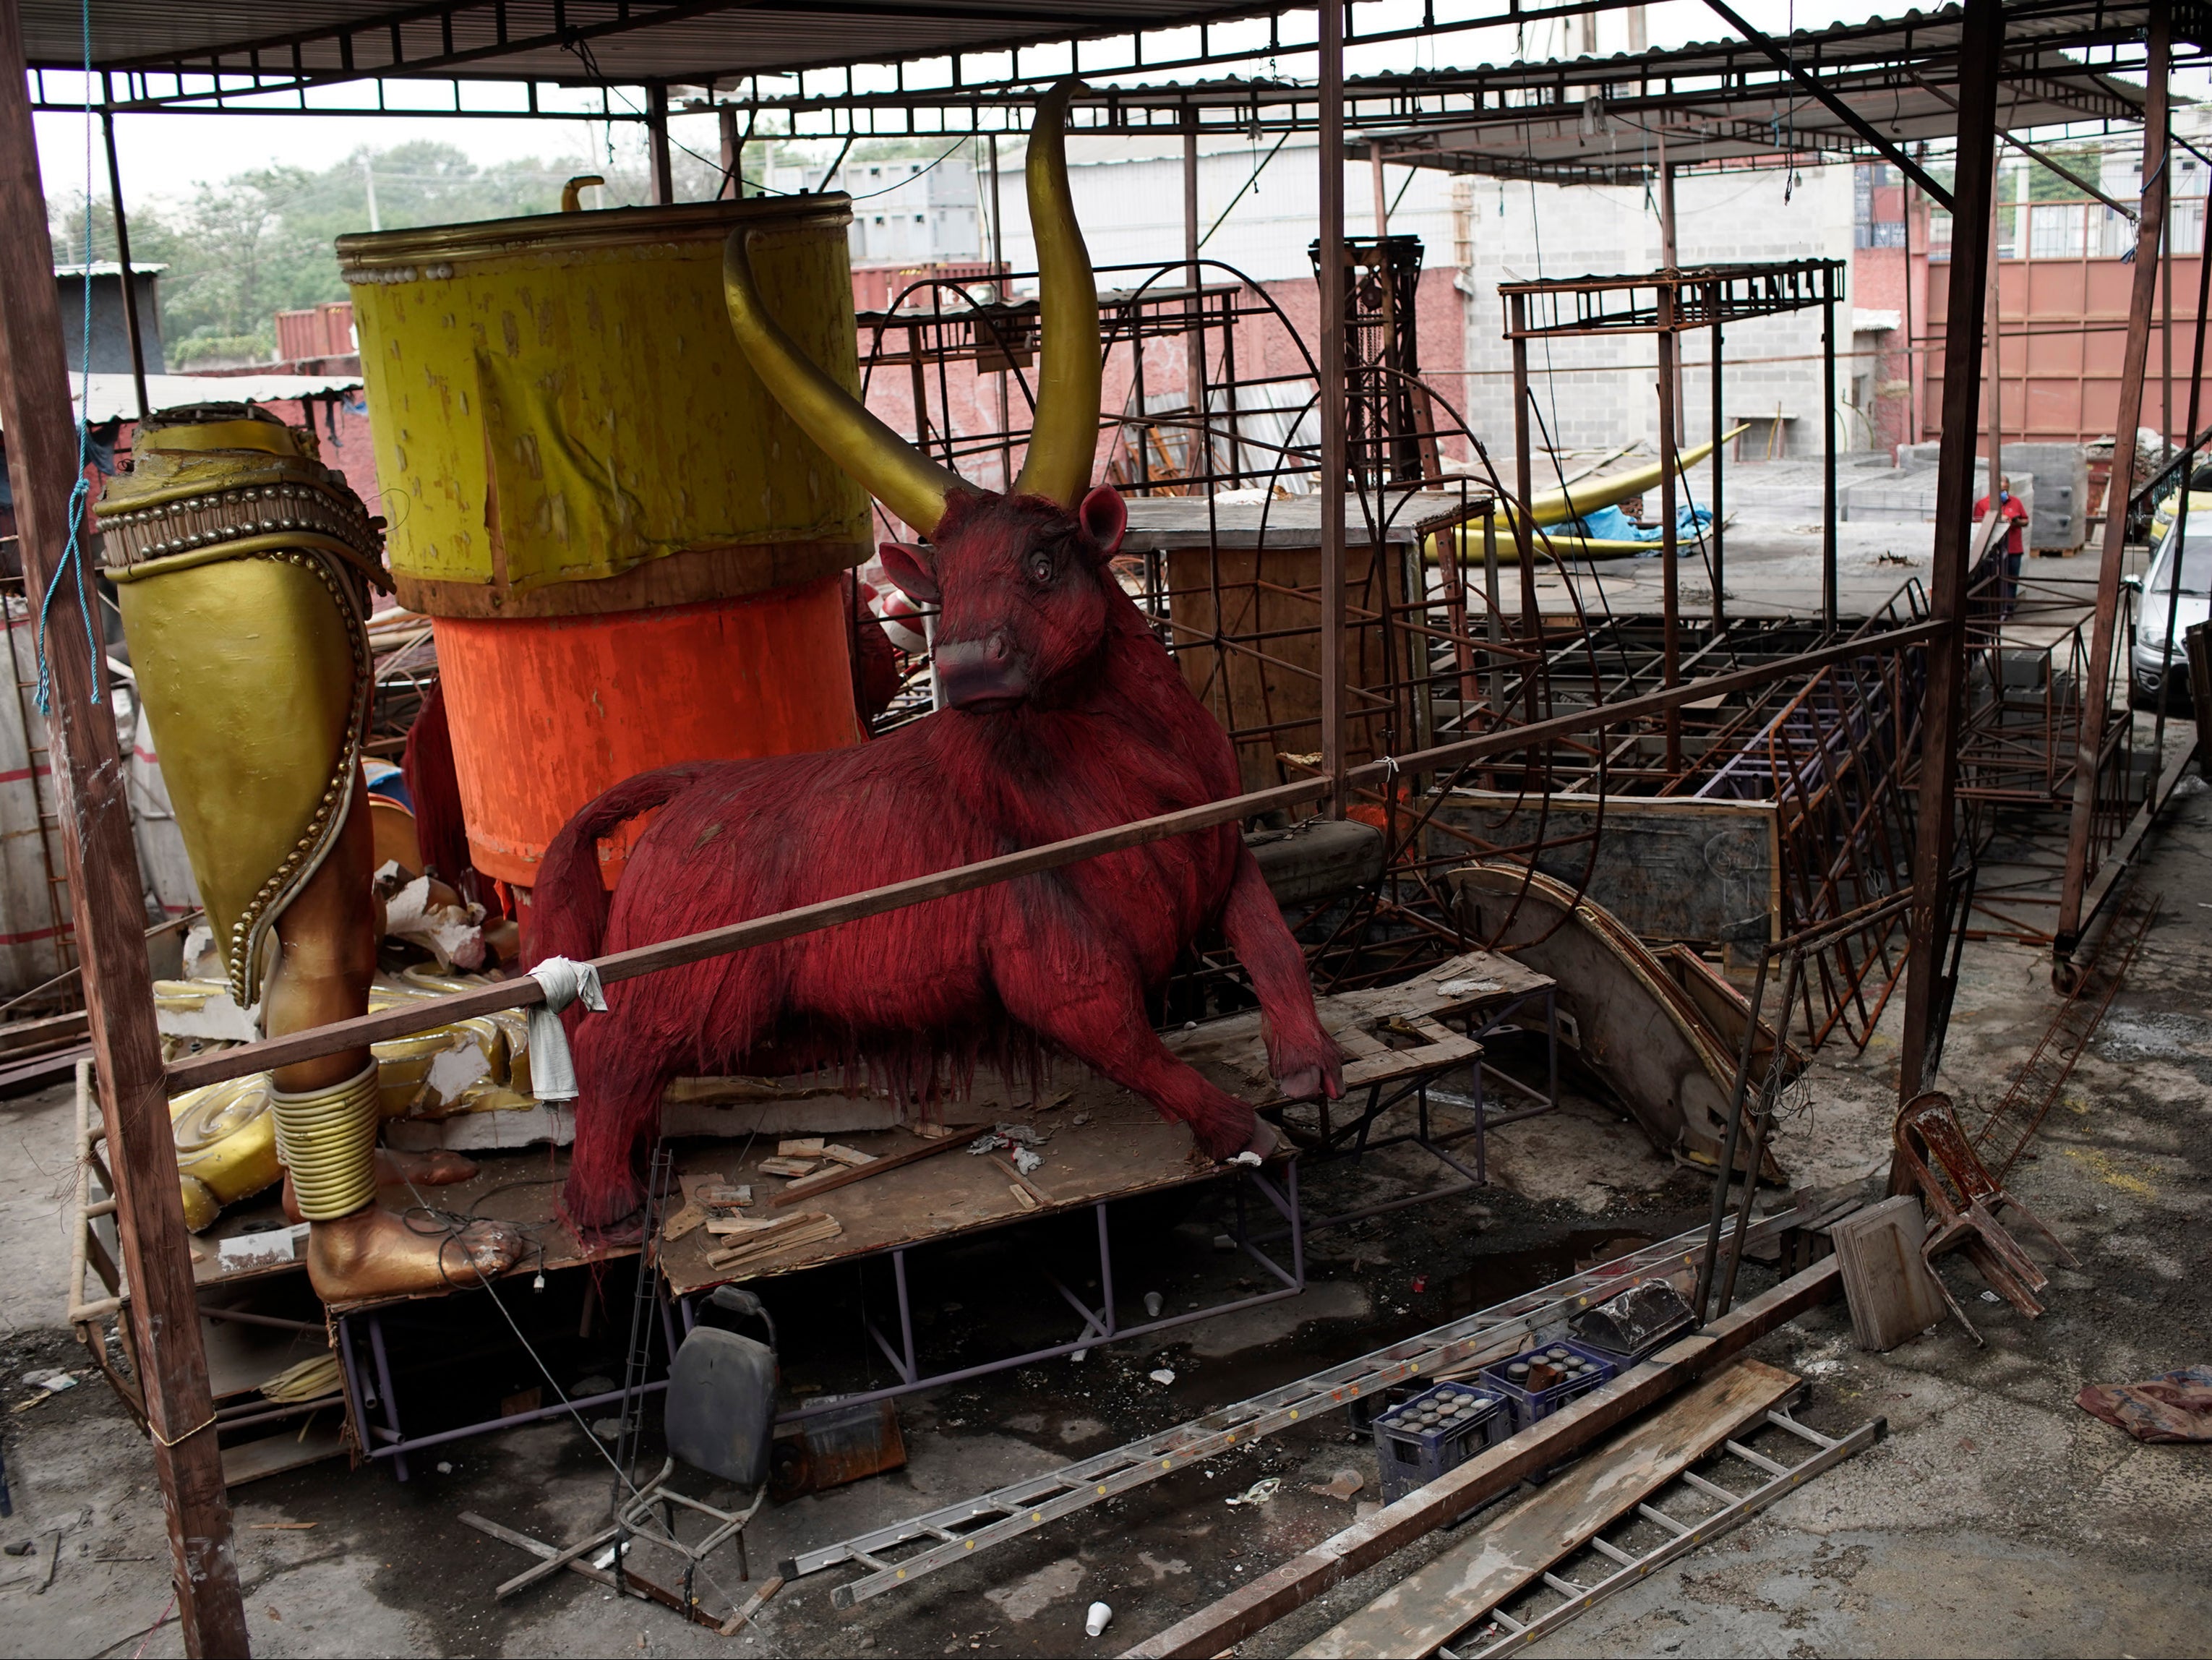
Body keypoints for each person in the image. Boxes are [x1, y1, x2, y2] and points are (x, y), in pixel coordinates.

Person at [1974, 475, 2029, 616]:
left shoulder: (2015, 502)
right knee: (1992, 579)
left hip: (2013, 548)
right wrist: (1996, 519)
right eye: (2001, 489)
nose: (2004, 493)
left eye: (2006, 489)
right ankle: (1992, 608)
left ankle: (2008, 608)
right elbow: (1977, 524)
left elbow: (2025, 520)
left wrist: (2015, 521)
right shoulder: (1983, 504)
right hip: (1992, 550)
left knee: (2011, 578)